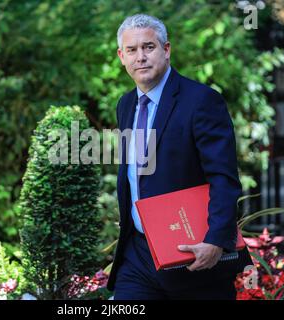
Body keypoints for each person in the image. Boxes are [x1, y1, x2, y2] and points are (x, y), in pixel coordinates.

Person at [107, 14, 253, 300]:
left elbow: (223, 178)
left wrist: (215, 241)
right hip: (137, 256)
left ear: (166, 49)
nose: (141, 57)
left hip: (193, 257)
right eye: (132, 50)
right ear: (121, 56)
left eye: (148, 47)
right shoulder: (125, 105)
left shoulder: (201, 101)